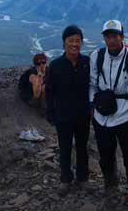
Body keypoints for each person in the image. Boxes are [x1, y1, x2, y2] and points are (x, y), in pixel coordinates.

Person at [89, 20, 128, 206]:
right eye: (108, 36)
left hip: (124, 113)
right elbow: (92, 81)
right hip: (102, 113)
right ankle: (110, 183)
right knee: (105, 153)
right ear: (104, 37)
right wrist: (92, 104)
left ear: (121, 36)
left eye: (115, 36)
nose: (111, 40)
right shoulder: (97, 55)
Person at [45, 25, 92, 196]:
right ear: (64, 42)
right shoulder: (56, 65)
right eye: (70, 40)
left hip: (82, 115)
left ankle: (83, 178)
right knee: (64, 148)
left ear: (81, 43)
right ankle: (65, 179)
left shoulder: (87, 63)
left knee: (82, 147)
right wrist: (50, 113)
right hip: (63, 115)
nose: (74, 44)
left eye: (77, 41)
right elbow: (49, 91)